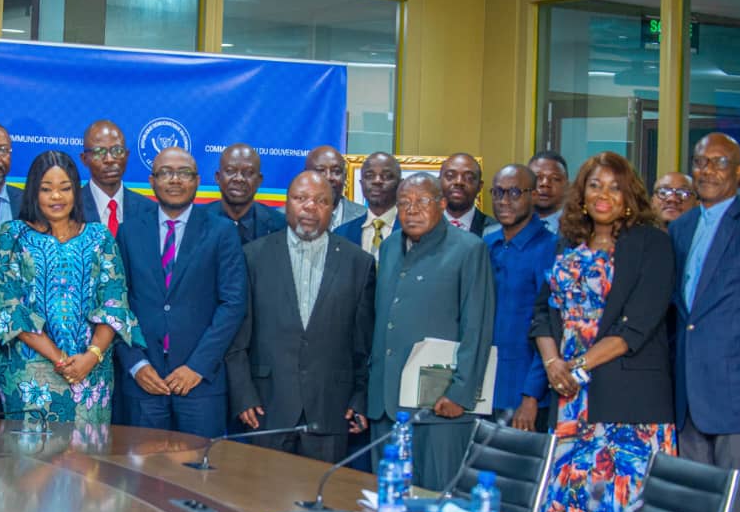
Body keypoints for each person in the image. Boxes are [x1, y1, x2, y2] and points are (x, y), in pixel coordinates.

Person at [530, 150, 676, 512]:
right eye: (595, 185)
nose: (603, 195)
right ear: (582, 194)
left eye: (614, 187)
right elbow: (543, 313)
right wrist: (553, 364)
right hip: (571, 400)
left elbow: (638, 326)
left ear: (629, 196)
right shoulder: (567, 243)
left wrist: (575, 367)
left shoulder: (652, 243)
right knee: (566, 511)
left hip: (629, 405)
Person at [226, 171, 375, 463]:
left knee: (322, 491)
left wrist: (360, 398)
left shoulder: (358, 263)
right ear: (286, 203)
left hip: (331, 410)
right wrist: (243, 395)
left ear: (333, 208)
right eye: (301, 198)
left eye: (321, 201)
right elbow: (237, 336)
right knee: (259, 490)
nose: (310, 207)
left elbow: (365, 345)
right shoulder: (253, 256)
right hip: (265, 408)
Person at [0, 151, 142, 425]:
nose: (56, 197)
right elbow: (10, 309)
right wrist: (61, 360)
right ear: (33, 192)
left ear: (76, 192)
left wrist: (91, 357)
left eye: (65, 188)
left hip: (91, 373)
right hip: (30, 372)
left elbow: (114, 304)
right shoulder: (12, 236)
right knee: (34, 449)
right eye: (46, 189)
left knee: (88, 451)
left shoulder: (100, 237)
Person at [367, 173, 494, 489]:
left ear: (441, 204)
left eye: (422, 202)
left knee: (436, 501)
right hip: (386, 404)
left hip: (440, 406)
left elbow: (477, 327)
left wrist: (460, 393)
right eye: (404, 203)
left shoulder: (468, 249)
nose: (412, 210)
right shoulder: (390, 246)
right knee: (387, 500)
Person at [670, 132, 740, 512]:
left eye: (719, 162)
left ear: (739, 172)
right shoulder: (679, 227)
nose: (707, 171)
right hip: (687, 397)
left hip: (737, 396)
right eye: (700, 162)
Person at [116, 147, 247, 438]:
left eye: (184, 173)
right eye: (166, 173)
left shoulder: (222, 232)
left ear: (197, 180)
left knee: (198, 466)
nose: (175, 180)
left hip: (200, 384)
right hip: (143, 383)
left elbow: (233, 304)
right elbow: (117, 305)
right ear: (152, 181)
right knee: (140, 466)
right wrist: (136, 364)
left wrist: (197, 367)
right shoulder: (129, 232)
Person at [483, 165, 558, 430]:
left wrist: (531, 395)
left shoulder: (550, 247)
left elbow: (550, 324)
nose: (504, 201)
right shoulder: (487, 245)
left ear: (533, 195)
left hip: (525, 392)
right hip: (484, 387)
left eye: (514, 192)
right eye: (498, 192)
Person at [79, 120, 154, 236]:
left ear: (127, 155)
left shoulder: (149, 210)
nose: (109, 159)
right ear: (84, 159)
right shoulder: (71, 208)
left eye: (117, 151)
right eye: (99, 152)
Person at [205, 143, 286, 244]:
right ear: (218, 177)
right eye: (230, 171)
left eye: (248, 172)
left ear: (259, 180)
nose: (239, 179)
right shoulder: (197, 221)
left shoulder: (280, 225)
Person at [335, 152, 401, 260]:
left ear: (400, 184)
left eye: (386, 176)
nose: (377, 181)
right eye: (369, 176)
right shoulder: (341, 234)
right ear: (361, 184)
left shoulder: (413, 232)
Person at [305, 145, 365, 230]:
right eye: (320, 171)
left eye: (336, 171)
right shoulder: (289, 217)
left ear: (345, 177)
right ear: (305, 176)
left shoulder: (364, 217)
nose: (328, 177)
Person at [440, 152, 492, 236]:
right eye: (450, 176)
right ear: (438, 182)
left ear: (479, 187)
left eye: (469, 178)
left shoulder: (495, 229)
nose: (459, 182)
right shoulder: (423, 226)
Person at [528, 150, 570, 234]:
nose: (545, 183)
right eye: (537, 177)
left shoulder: (579, 228)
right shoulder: (508, 225)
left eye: (555, 179)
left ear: (567, 186)